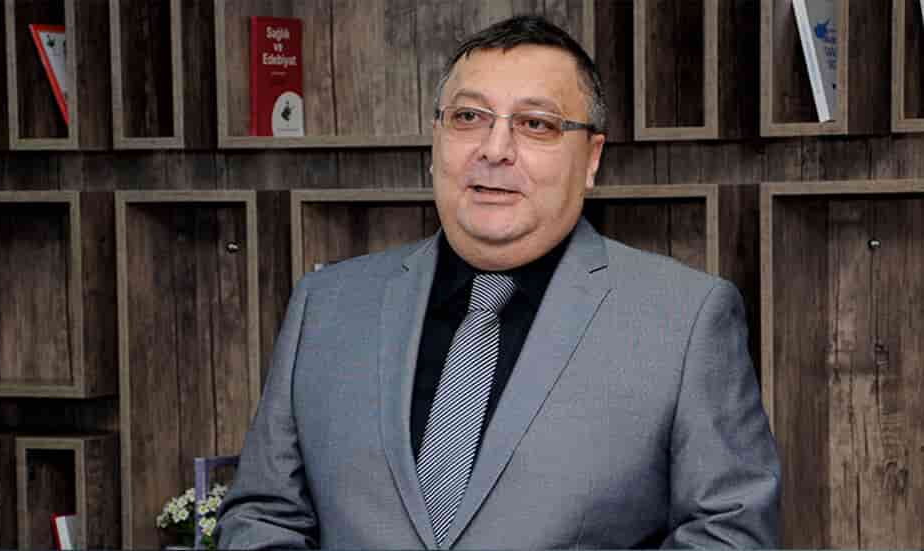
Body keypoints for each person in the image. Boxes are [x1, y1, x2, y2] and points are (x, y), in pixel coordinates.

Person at [215, 15, 780, 549]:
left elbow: (729, 532)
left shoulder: (683, 319)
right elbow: (264, 518)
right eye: (469, 118)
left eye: (536, 124)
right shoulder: (327, 306)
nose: (494, 149)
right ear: (435, 141)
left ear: (591, 158)